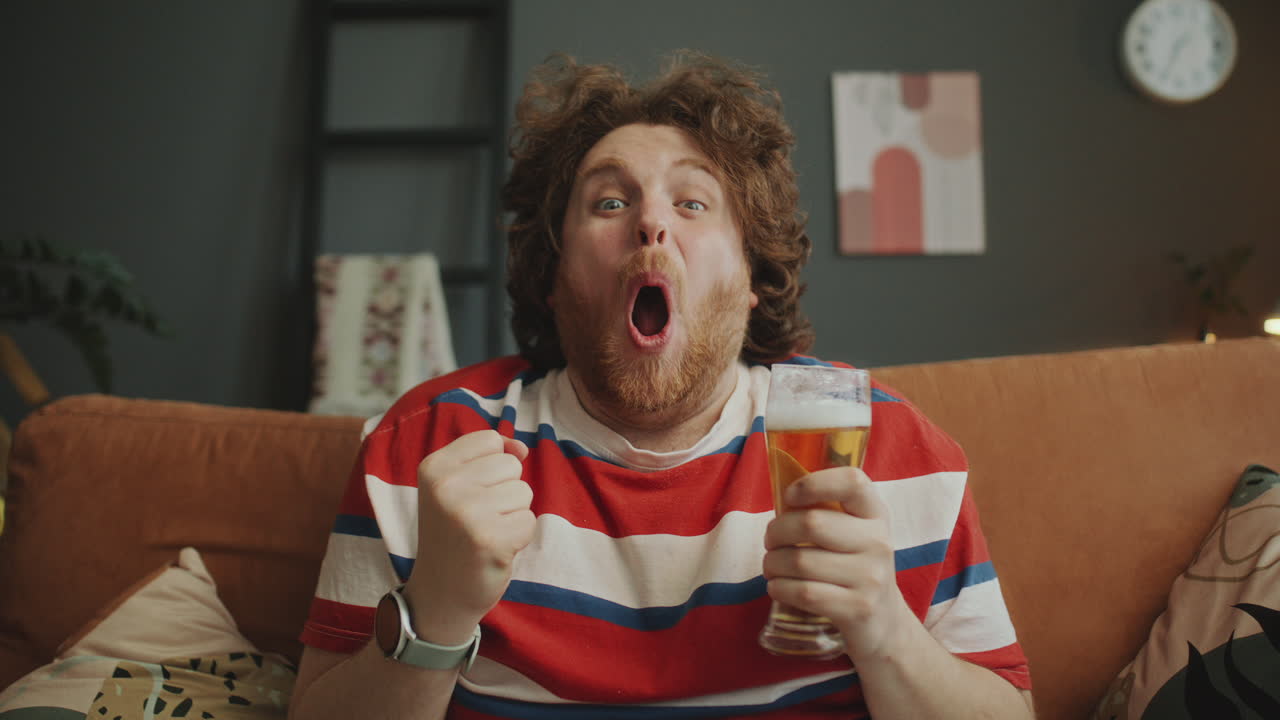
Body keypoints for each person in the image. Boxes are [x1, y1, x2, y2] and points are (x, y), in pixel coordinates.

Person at [289, 52, 1035, 720]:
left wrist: (885, 634)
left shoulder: (889, 445)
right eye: (609, 203)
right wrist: (437, 611)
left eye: (693, 202)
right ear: (552, 277)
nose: (651, 222)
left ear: (750, 277)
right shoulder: (425, 444)